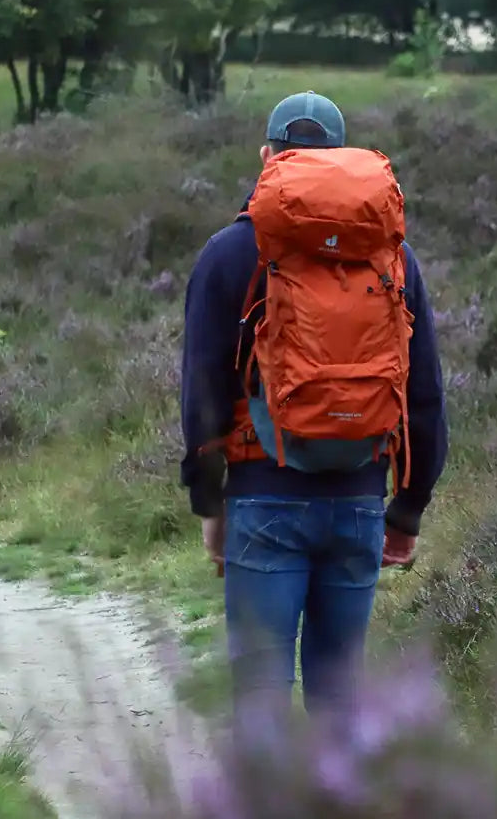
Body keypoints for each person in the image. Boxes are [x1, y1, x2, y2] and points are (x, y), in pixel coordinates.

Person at [178, 90, 448, 723]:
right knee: (339, 699)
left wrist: (210, 504)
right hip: (359, 501)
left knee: (260, 698)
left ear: (267, 157)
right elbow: (424, 393)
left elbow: (203, 393)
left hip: (263, 497)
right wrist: (407, 508)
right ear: (341, 157)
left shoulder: (229, 252)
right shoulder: (393, 256)